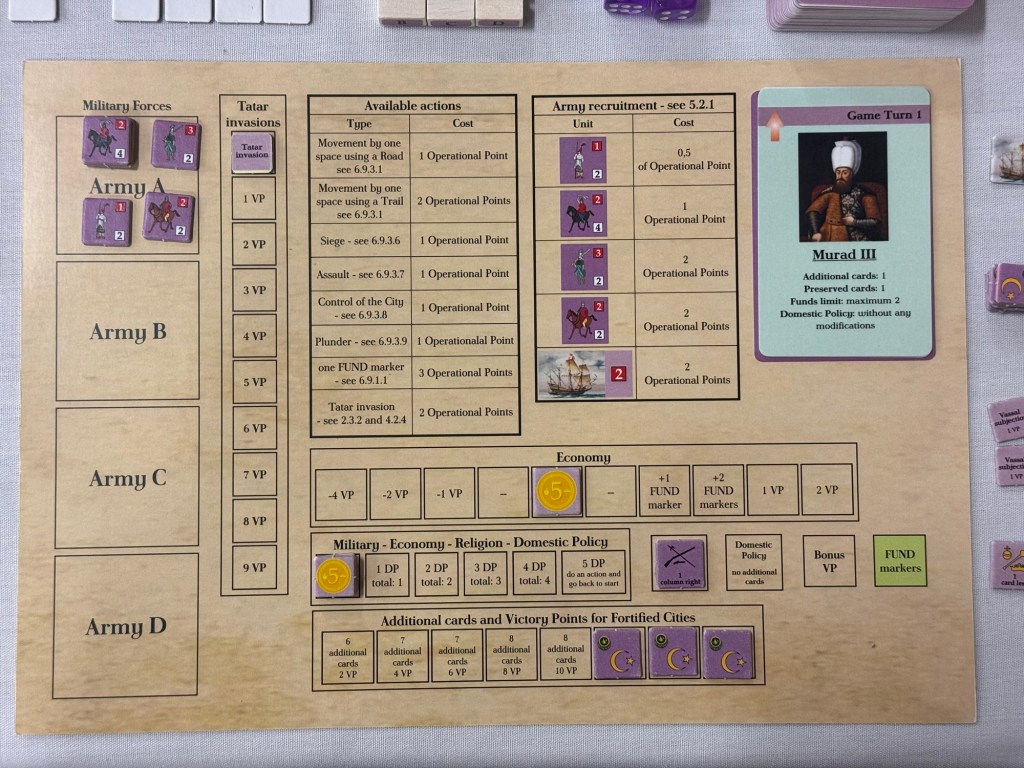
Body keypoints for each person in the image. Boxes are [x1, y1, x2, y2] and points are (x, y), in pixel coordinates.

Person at [806, 139, 882, 242]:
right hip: (829, 235)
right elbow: (813, 210)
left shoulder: (865, 194)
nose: (840, 176)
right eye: (838, 172)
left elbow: (875, 222)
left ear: (852, 174)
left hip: (855, 237)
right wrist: (816, 232)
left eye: (845, 172)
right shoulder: (829, 192)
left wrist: (854, 222)